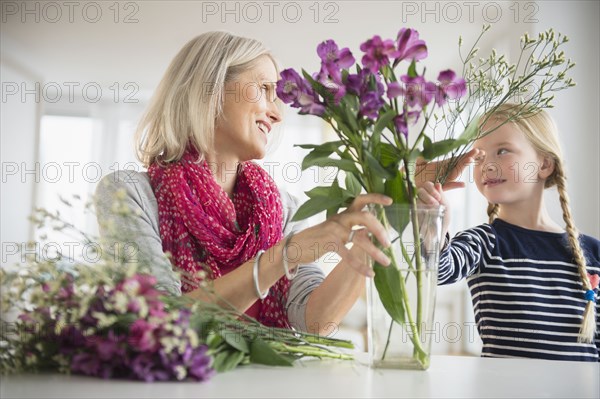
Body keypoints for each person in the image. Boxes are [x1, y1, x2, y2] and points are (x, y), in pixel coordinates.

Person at [95, 31, 474, 335]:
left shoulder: (279, 205)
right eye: (264, 90)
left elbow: (313, 322)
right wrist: (286, 254)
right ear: (208, 90)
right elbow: (159, 324)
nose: (277, 113)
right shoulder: (128, 194)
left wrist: (381, 214)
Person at [417, 104, 600, 361]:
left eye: (502, 151)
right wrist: (435, 224)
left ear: (544, 164)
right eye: (479, 158)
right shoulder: (484, 241)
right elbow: (439, 271)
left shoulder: (592, 251)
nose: (487, 165)